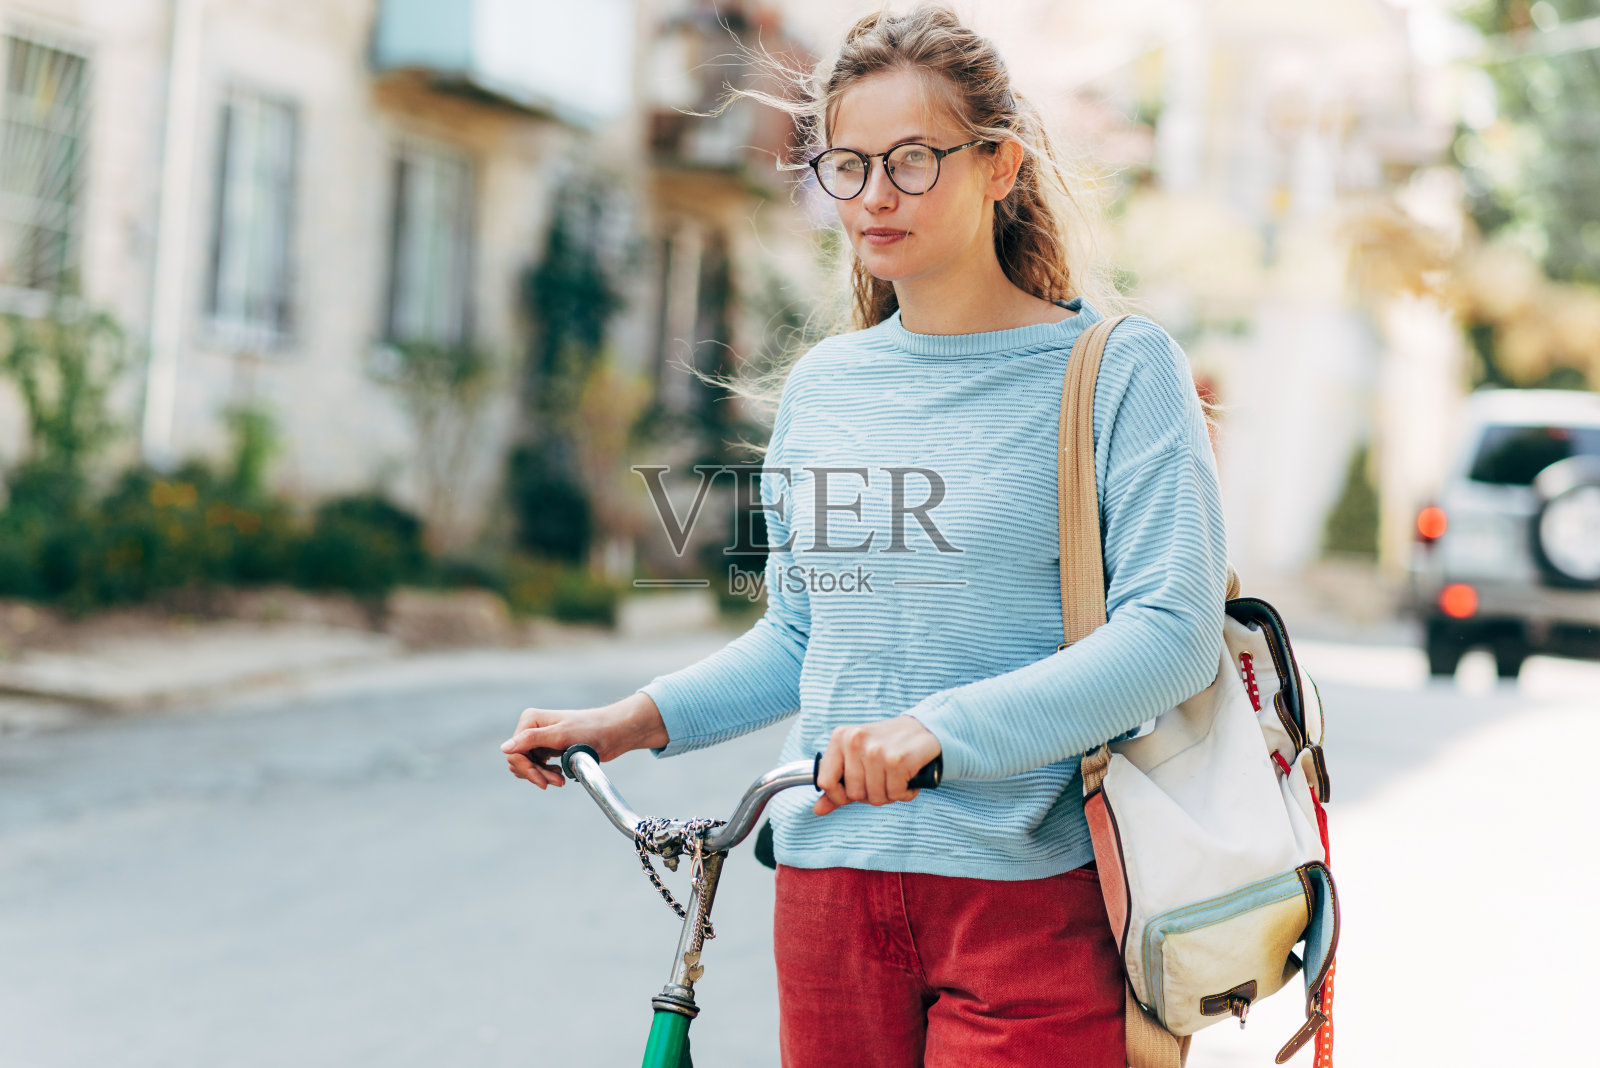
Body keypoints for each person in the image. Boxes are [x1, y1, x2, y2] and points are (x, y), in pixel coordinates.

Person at [502, 6, 1227, 1066]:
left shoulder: (1117, 371)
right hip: (829, 896)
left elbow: (1169, 634)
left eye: (912, 160)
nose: (874, 195)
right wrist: (627, 722)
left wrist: (939, 731)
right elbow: (804, 636)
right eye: (846, 164)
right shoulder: (829, 386)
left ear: (999, 167)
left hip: (1028, 899)